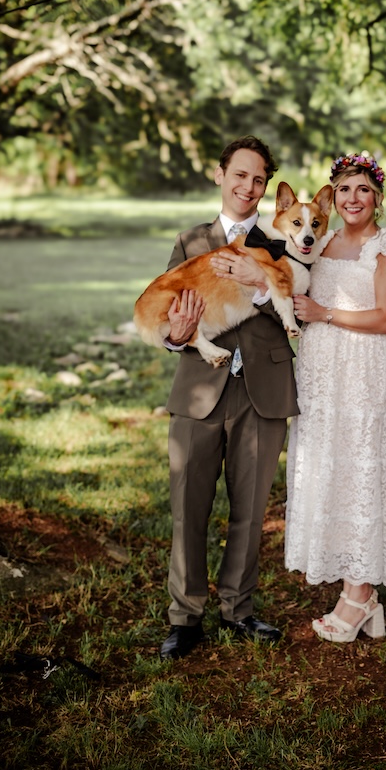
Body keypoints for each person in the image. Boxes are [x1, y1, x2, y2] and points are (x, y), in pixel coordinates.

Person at [159, 135, 299, 661]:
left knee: (250, 508)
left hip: (262, 391)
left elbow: (297, 310)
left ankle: (238, 609)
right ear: (220, 175)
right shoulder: (191, 241)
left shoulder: (281, 240)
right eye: (240, 174)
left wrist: (260, 286)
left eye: (259, 178)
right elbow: (169, 321)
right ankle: (185, 616)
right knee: (188, 508)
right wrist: (177, 332)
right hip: (199, 390)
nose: (249, 186)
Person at [285, 152, 386, 642]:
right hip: (321, 373)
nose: (352, 198)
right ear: (332, 196)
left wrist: (323, 314)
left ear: (377, 197)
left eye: (362, 189)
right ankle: (358, 593)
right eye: (344, 189)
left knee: (361, 470)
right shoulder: (321, 240)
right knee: (331, 469)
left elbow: (385, 319)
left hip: (363, 372)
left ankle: (358, 598)